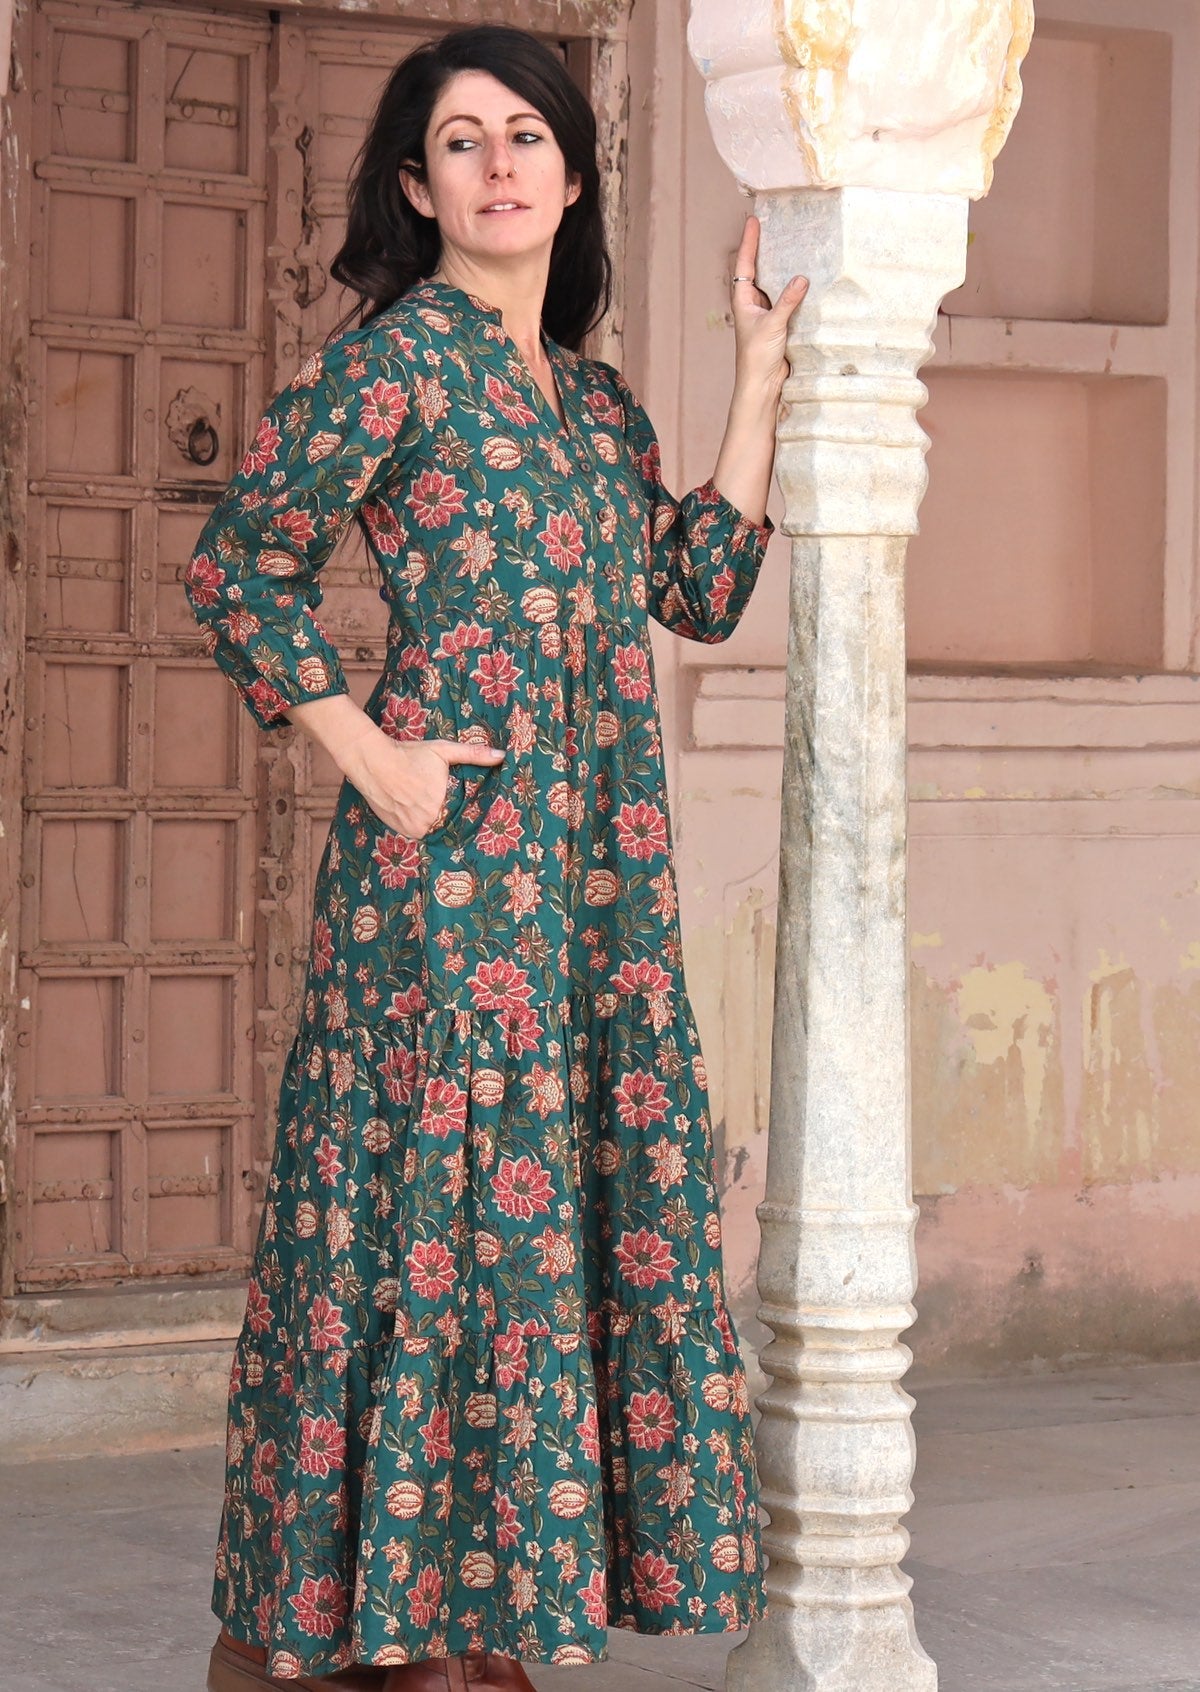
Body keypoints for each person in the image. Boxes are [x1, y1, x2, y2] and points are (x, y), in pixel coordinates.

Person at [186, 22, 808, 1692]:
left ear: (575, 171)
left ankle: (482, 1623)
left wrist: (758, 371)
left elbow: (700, 590)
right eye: (460, 142)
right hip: (446, 892)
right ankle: (390, 1634)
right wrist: (367, 750)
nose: (499, 164)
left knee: (543, 1238)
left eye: (526, 134)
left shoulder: (593, 406)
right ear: (417, 185)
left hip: (596, 898)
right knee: (426, 1230)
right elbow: (240, 564)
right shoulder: (392, 363)